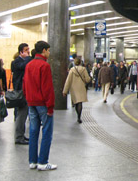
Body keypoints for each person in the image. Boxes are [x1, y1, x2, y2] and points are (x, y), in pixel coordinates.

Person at [23, 41, 56, 171]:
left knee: (33, 131)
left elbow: (24, 83)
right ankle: (43, 162)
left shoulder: (29, 65)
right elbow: (47, 88)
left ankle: (32, 161)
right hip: (42, 103)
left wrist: (28, 98)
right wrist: (50, 106)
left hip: (31, 102)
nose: (49, 53)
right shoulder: (44, 65)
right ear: (43, 50)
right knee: (47, 132)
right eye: (48, 50)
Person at [12, 43, 32, 145]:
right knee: (21, 114)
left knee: (23, 114)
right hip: (20, 91)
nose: (28, 51)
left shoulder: (25, 60)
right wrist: (28, 57)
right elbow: (23, 67)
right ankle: (19, 137)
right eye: (26, 50)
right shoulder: (16, 62)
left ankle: (21, 134)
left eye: (28, 49)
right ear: (20, 52)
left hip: (26, 90)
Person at [62, 58, 91, 123]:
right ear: (80, 62)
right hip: (81, 87)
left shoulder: (72, 70)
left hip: (74, 88)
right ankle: (79, 117)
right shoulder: (84, 69)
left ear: (75, 63)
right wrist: (90, 78)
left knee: (76, 102)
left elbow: (68, 81)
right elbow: (87, 79)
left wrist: (65, 91)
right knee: (80, 102)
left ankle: (77, 114)